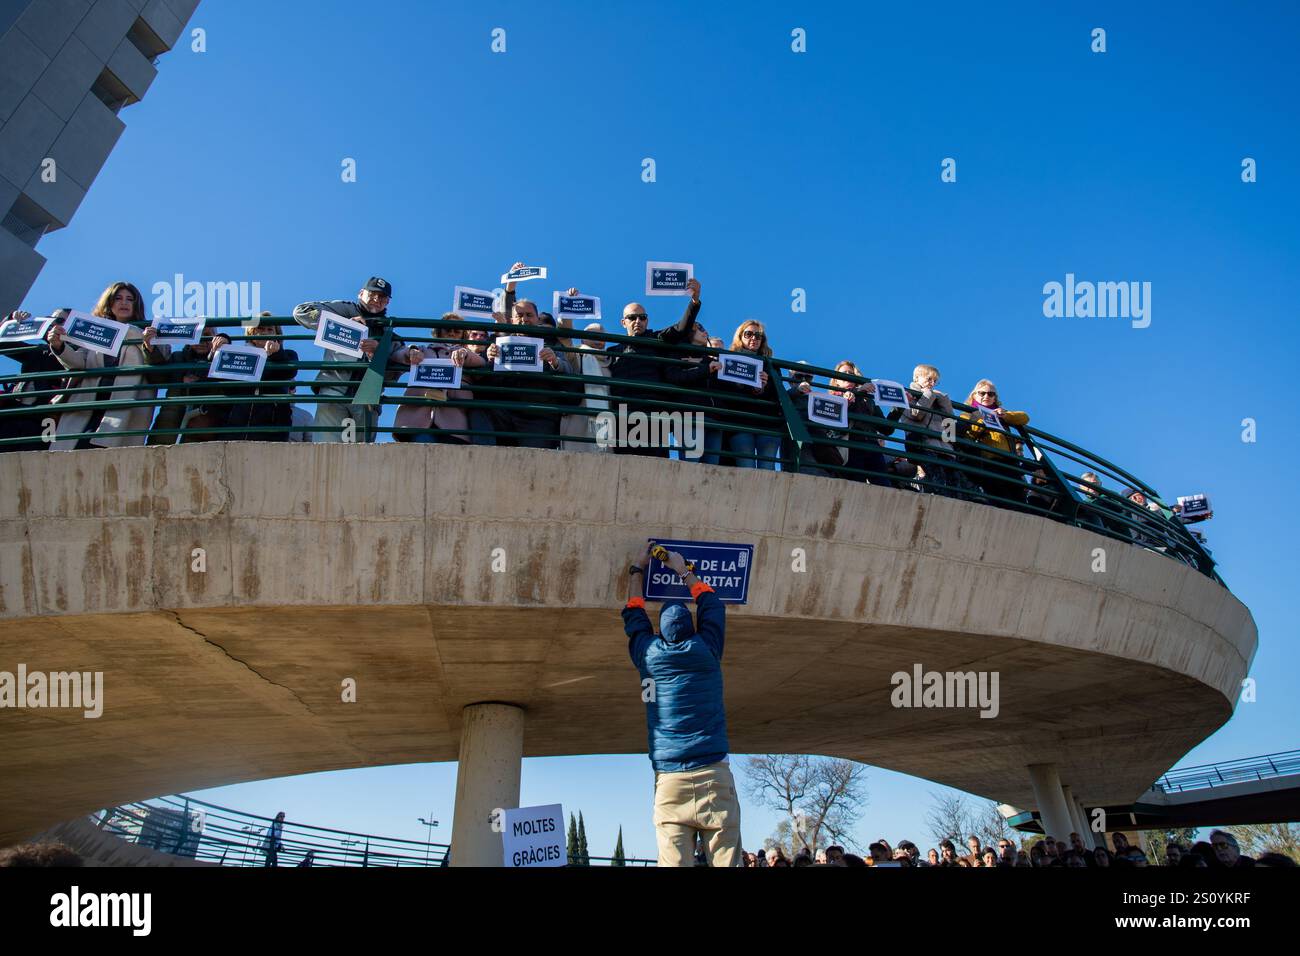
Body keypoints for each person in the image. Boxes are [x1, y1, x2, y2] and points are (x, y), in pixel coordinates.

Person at [623, 540, 740, 866]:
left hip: (669, 781)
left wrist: (637, 569)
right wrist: (683, 570)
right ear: (693, 628)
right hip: (714, 775)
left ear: (659, 631)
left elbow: (633, 613)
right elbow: (712, 604)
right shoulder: (708, 648)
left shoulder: (648, 655)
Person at [457, 264, 578, 449]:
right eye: (519, 315)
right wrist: (489, 357)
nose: (524, 319)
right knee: (480, 414)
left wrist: (554, 361)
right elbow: (481, 374)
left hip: (538, 416)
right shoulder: (499, 341)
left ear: (537, 319)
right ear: (512, 320)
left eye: (529, 315)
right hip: (503, 411)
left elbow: (569, 370)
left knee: (535, 462)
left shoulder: (550, 342)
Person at [46, 282, 171, 450]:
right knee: (75, 450)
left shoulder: (149, 332)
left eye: (130, 299)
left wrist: (146, 342)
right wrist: (58, 346)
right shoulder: (96, 331)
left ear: (136, 305)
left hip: (123, 407)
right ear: (109, 303)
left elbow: (160, 365)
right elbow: (79, 362)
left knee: (107, 455)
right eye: (118, 298)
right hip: (89, 403)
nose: (124, 303)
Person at [293, 276, 414, 442]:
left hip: (368, 399)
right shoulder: (344, 309)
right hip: (334, 391)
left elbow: (400, 360)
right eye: (372, 293)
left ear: (387, 302)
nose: (377, 299)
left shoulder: (388, 330)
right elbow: (301, 311)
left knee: (361, 457)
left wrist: (378, 351)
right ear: (360, 293)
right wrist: (344, 325)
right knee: (326, 448)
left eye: (383, 297)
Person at [604, 278, 702, 457]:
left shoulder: (657, 339)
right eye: (632, 318)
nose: (638, 321)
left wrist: (694, 302)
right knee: (621, 467)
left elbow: (680, 329)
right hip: (622, 415)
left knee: (655, 466)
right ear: (623, 322)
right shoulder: (613, 350)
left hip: (654, 415)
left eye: (642, 317)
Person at [395, 316, 489, 445]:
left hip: (453, 422)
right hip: (418, 419)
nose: (451, 333)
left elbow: (481, 362)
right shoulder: (423, 349)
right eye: (447, 329)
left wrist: (464, 354)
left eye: (457, 331)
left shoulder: (464, 353)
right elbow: (398, 355)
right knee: (421, 455)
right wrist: (411, 351)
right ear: (439, 331)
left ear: (463, 335)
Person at [710, 320, 782, 469]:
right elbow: (723, 391)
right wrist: (740, 385)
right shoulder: (729, 360)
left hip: (766, 424)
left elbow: (778, 395)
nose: (754, 338)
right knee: (746, 469)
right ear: (740, 336)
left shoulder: (771, 365)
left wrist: (763, 388)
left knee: (767, 471)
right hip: (740, 423)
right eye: (748, 334)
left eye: (758, 335)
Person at [146, 324, 233, 444]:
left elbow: (232, 385)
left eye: (207, 335)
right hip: (169, 426)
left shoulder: (223, 359)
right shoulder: (177, 357)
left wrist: (225, 346)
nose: (202, 340)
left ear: (215, 338)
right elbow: (156, 378)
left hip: (205, 431)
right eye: (197, 334)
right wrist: (150, 349)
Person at [0, 308, 71, 451]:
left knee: (42, 455)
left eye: (60, 321)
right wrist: (12, 320)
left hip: (48, 414)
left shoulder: (78, 354)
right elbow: (2, 343)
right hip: (16, 409)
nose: (54, 324)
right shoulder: (36, 351)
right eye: (50, 320)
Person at [222, 314, 300, 441]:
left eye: (270, 330)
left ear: (277, 335)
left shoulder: (288, 354)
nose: (265, 332)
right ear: (251, 333)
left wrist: (276, 355)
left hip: (273, 428)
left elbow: (290, 371)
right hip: (236, 426)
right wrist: (223, 339)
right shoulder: (239, 354)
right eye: (261, 328)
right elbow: (221, 380)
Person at [958, 379, 1030, 508]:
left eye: (991, 394)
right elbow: (965, 435)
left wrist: (1005, 415)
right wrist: (981, 423)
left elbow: (1024, 417)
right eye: (982, 393)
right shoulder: (969, 413)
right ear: (974, 395)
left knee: (1019, 499)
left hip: (1010, 462)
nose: (986, 396)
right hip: (988, 461)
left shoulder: (1000, 412)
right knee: (1001, 497)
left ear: (995, 397)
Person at [890, 364, 957, 492]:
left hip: (945, 448)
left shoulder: (938, 399)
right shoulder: (907, 394)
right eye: (928, 379)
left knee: (955, 480)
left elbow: (950, 428)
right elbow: (916, 414)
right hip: (922, 444)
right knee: (936, 479)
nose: (932, 383)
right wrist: (928, 395)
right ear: (917, 378)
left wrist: (945, 404)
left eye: (935, 381)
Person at [560, 318, 614, 453]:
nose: (598, 340)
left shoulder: (612, 360)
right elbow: (564, 335)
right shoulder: (577, 355)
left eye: (601, 336)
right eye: (592, 335)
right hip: (577, 423)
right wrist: (569, 307)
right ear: (583, 340)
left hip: (605, 423)